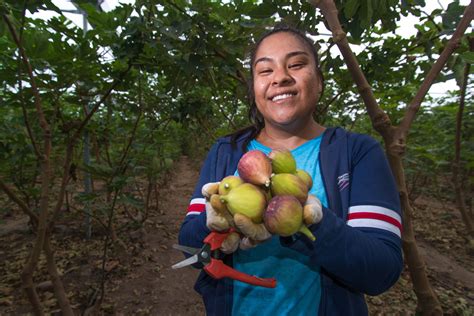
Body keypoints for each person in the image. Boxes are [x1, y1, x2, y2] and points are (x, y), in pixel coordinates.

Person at [178, 24, 403, 315]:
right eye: (265, 70)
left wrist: (315, 224)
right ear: (254, 89)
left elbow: (381, 272)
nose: (281, 77)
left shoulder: (356, 152)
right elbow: (190, 251)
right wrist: (215, 220)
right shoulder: (226, 150)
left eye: (296, 64)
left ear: (319, 81)